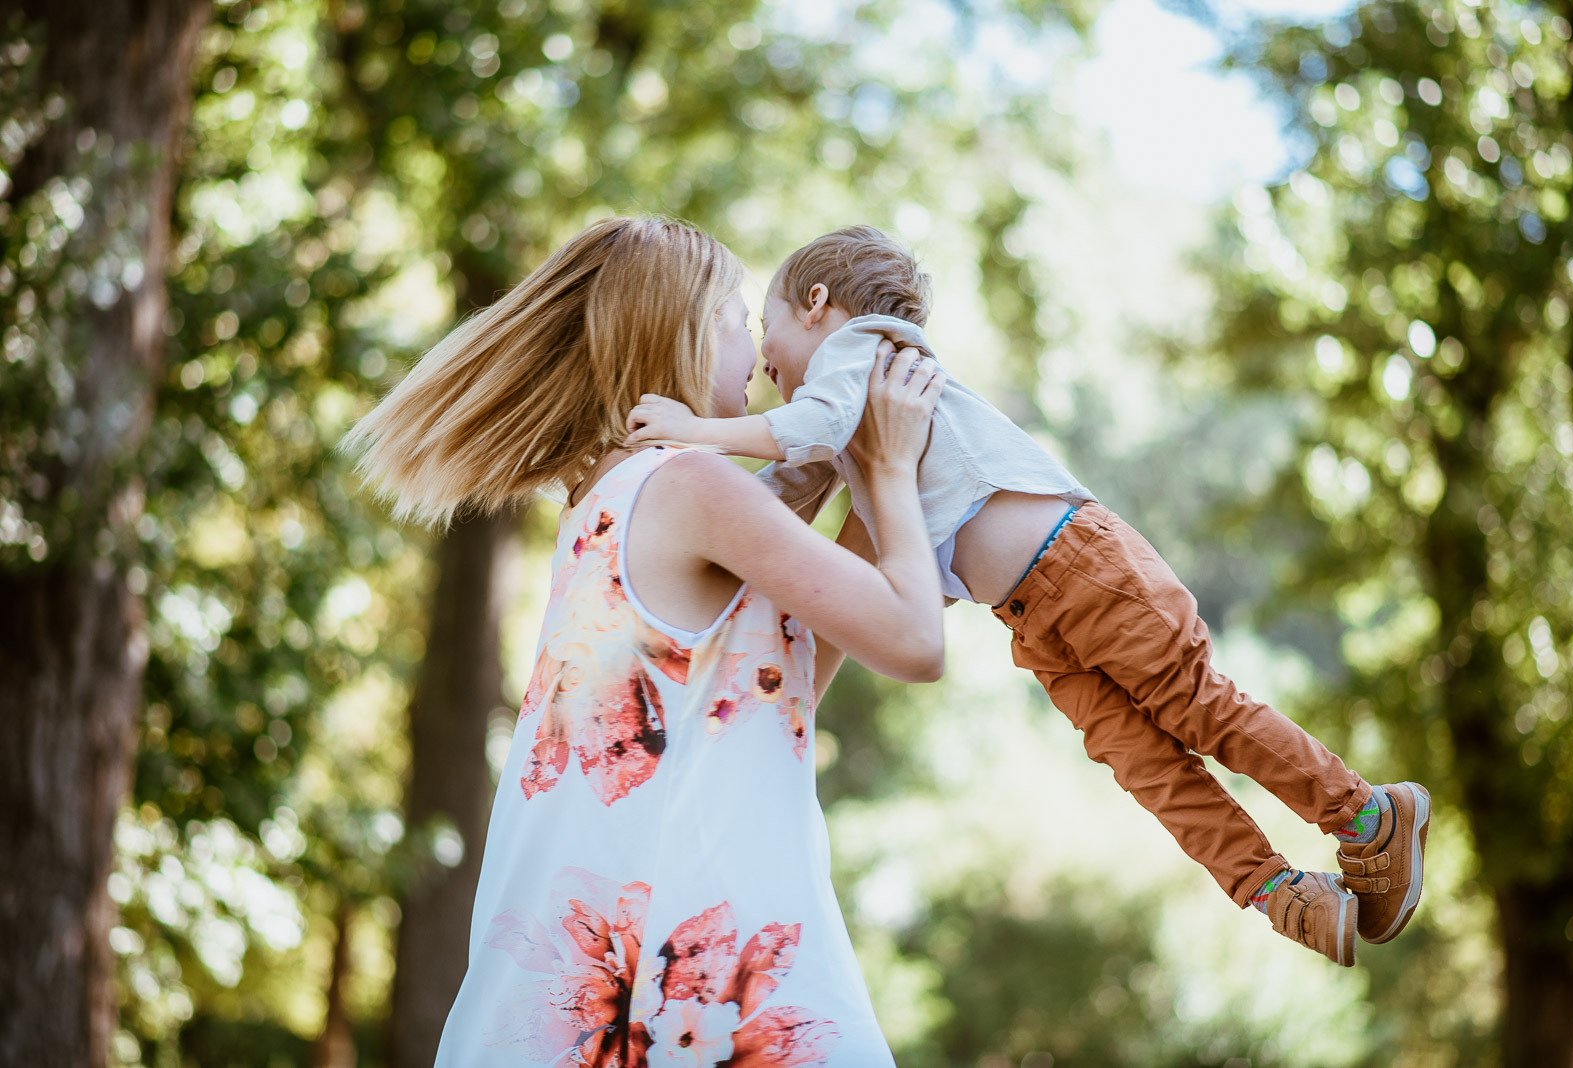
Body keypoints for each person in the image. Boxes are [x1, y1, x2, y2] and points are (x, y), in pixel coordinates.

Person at [624, 225, 1431, 968]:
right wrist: (689, 513)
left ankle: (1367, 814)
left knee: (1197, 708)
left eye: (763, 326)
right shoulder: (842, 424)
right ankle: (1281, 893)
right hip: (1033, 616)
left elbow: (796, 435)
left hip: (1084, 569)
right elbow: (780, 487)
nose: (762, 356)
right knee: (1146, 767)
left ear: (816, 304)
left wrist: (691, 433)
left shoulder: (863, 350)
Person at [344, 216, 946, 1065]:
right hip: (710, 990)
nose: (755, 346)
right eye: (736, 317)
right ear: (681, 330)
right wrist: (888, 468)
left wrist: (835, 466)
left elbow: (768, 704)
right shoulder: (690, 482)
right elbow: (916, 641)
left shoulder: (607, 496)